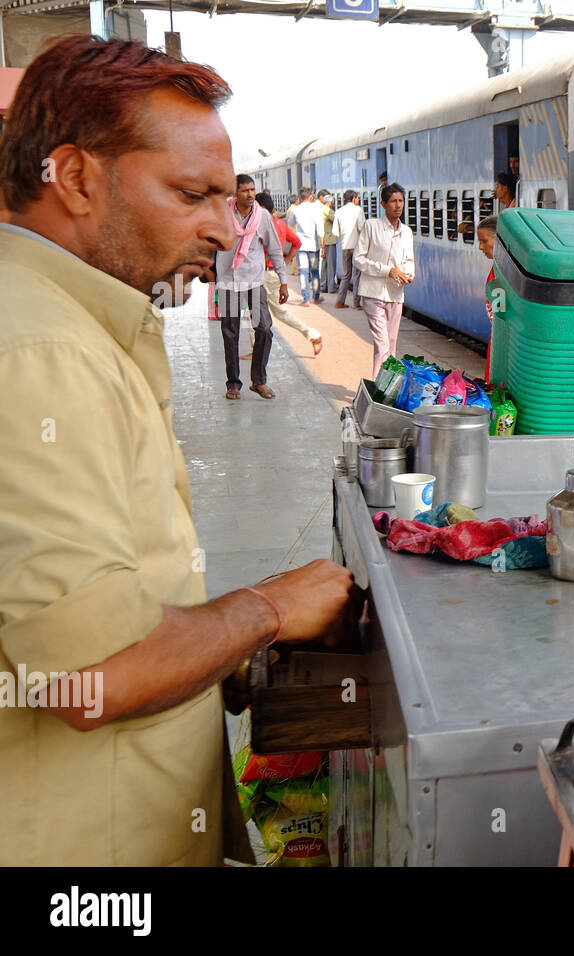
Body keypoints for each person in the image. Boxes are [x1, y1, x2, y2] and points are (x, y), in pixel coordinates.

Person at [0, 35, 355, 867]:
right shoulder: (45, 355)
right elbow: (94, 678)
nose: (227, 232)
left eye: (230, 202)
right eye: (193, 194)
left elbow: (104, 608)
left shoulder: (66, 320)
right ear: (76, 178)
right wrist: (266, 610)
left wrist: (233, 644)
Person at [215, 173, 289, 400]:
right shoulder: (222, 215)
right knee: (230, 333)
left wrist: (283, 281)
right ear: (235, 193)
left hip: (254, 281)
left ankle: (258, 381)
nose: (250, 195)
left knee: (265, 328)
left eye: (252, 190)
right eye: (245, 190)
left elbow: (275, 249)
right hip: (228, 281)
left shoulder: (263, 217)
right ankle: (233, 383)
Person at [355, 182, 415, 377]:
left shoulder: (406, 232)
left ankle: (386, 387)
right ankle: (377, 389)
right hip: (373, 293)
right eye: (393, 201)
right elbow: (358, 258)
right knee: (383, 344)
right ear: (383, 204)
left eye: (401, 201)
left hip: (396, 294)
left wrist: (408, 273)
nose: (398, 206)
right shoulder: (371, 227)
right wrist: (388, 270)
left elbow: (409, 260)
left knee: (391, 344)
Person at [257, 192, 322, 355]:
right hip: (273, 273)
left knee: (272, 312)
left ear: (263, 209)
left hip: (267, 274)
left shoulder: (264, 225)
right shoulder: (279, 223)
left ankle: (312, 334)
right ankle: (311, 335)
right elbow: (296, 242)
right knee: (262, 311)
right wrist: (285, 262)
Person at [287, 186, 323, 303]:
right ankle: (316, 297)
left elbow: (291, 223)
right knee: (314, 271)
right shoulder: (316, 209)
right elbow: (320, 229)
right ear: (311, 197)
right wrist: (323, 246)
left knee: (303, 271)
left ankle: (306, 299)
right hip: (313, 246)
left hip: (301, 246)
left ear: (300, 198)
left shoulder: (295, 210)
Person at [475, 214, 498, 384]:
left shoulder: (504, 271)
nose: (481, 247)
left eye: (484, 241)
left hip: (503, 337)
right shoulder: (498, 267)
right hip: (498, 334)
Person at [334, 189, 363, 310]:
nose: (359, 200)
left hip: (345, 247)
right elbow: (362, 227)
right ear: (354, 198)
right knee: (357, 275)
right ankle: (356, 304)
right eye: (357, 198)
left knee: (346, 275)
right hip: (357, 247)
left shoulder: (338, 211)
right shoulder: (358, 210)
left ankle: (339, 302)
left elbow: (335, 232)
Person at [318, 189, 338, 295]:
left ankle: (323, 285)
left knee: (325, 264)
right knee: (331, 264)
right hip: (330, 240)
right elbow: (336, 219)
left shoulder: (321, 209)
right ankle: (331, 287)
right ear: (330, 202)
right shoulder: (327, 210)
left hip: (324, 239)